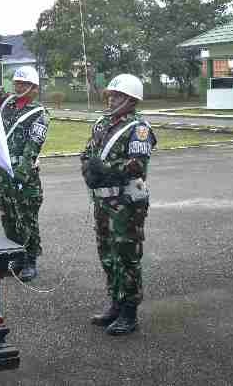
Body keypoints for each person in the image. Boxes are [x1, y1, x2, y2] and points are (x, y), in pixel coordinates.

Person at [81, 74, 156, 336]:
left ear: (131, 100)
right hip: (103, 201)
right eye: (110, 95)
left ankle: (129, 312)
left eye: (117, 95)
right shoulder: (102, 123)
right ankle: (115, 301)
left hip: (126, 203)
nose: (110, 99)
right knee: (107, 254)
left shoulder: (139, 128)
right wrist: (88, 170)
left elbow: (137, 165)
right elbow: (87, 152)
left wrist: (106, 170)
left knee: (126, 256)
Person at [0, 66, 50, 282]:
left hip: (23, 174)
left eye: (23, 84)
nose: (18, 87)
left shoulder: (39, 114)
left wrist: (22, 172)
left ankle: (30, 260)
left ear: (34, 88)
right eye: (16, 83)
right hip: (4, 171)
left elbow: (33, 146)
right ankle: (16, 256)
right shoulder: (7, 106)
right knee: (8, 216)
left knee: (26, 218)